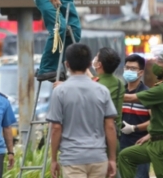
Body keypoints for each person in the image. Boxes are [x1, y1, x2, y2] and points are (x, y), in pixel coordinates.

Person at [46, 43, 117, 178]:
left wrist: (54, 159)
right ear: (90, 64)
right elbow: (110, 127)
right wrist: (112, 159)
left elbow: (56, 128)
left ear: (67, 64)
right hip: (98, 156)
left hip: (72, 158)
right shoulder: (102, 91)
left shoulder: (60, 91)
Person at [118, 45, 163, 178]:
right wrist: (150, 135)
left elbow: (130, 97)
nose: (155, 64)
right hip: (156, 141)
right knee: (125, 157)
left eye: (160, 61)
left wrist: (105, 92)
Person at [120, 54, 150, 178]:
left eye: (132, 69)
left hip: (139, 145)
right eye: (127, 68)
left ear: (141, 72)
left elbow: (156, 121)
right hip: (121, 144)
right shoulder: (120, 90)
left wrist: (134, 128)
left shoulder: (147, 94)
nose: (128, 71)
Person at [92, 47, 125, 138]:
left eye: (96, 57)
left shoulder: (93, 85)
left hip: (97, 137)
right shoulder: (119, 84)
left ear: (99, 64)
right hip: (114, 135)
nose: (94, 58)